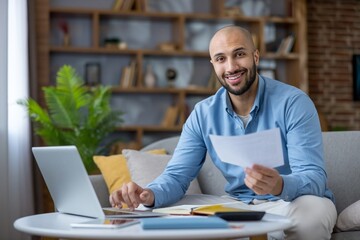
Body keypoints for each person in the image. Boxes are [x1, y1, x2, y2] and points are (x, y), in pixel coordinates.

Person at [110, 25, 337, 239]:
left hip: (290, 202)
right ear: (214, 65)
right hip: (235, 205)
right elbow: (177, 177)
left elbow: (313, 177)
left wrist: (279, 185)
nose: (231, 67)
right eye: (221, 59)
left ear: (255, 57)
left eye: (239, 54)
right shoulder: (203, 113)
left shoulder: (293, 103)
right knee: (163, 210)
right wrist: (149, 195)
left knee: (313, 215)